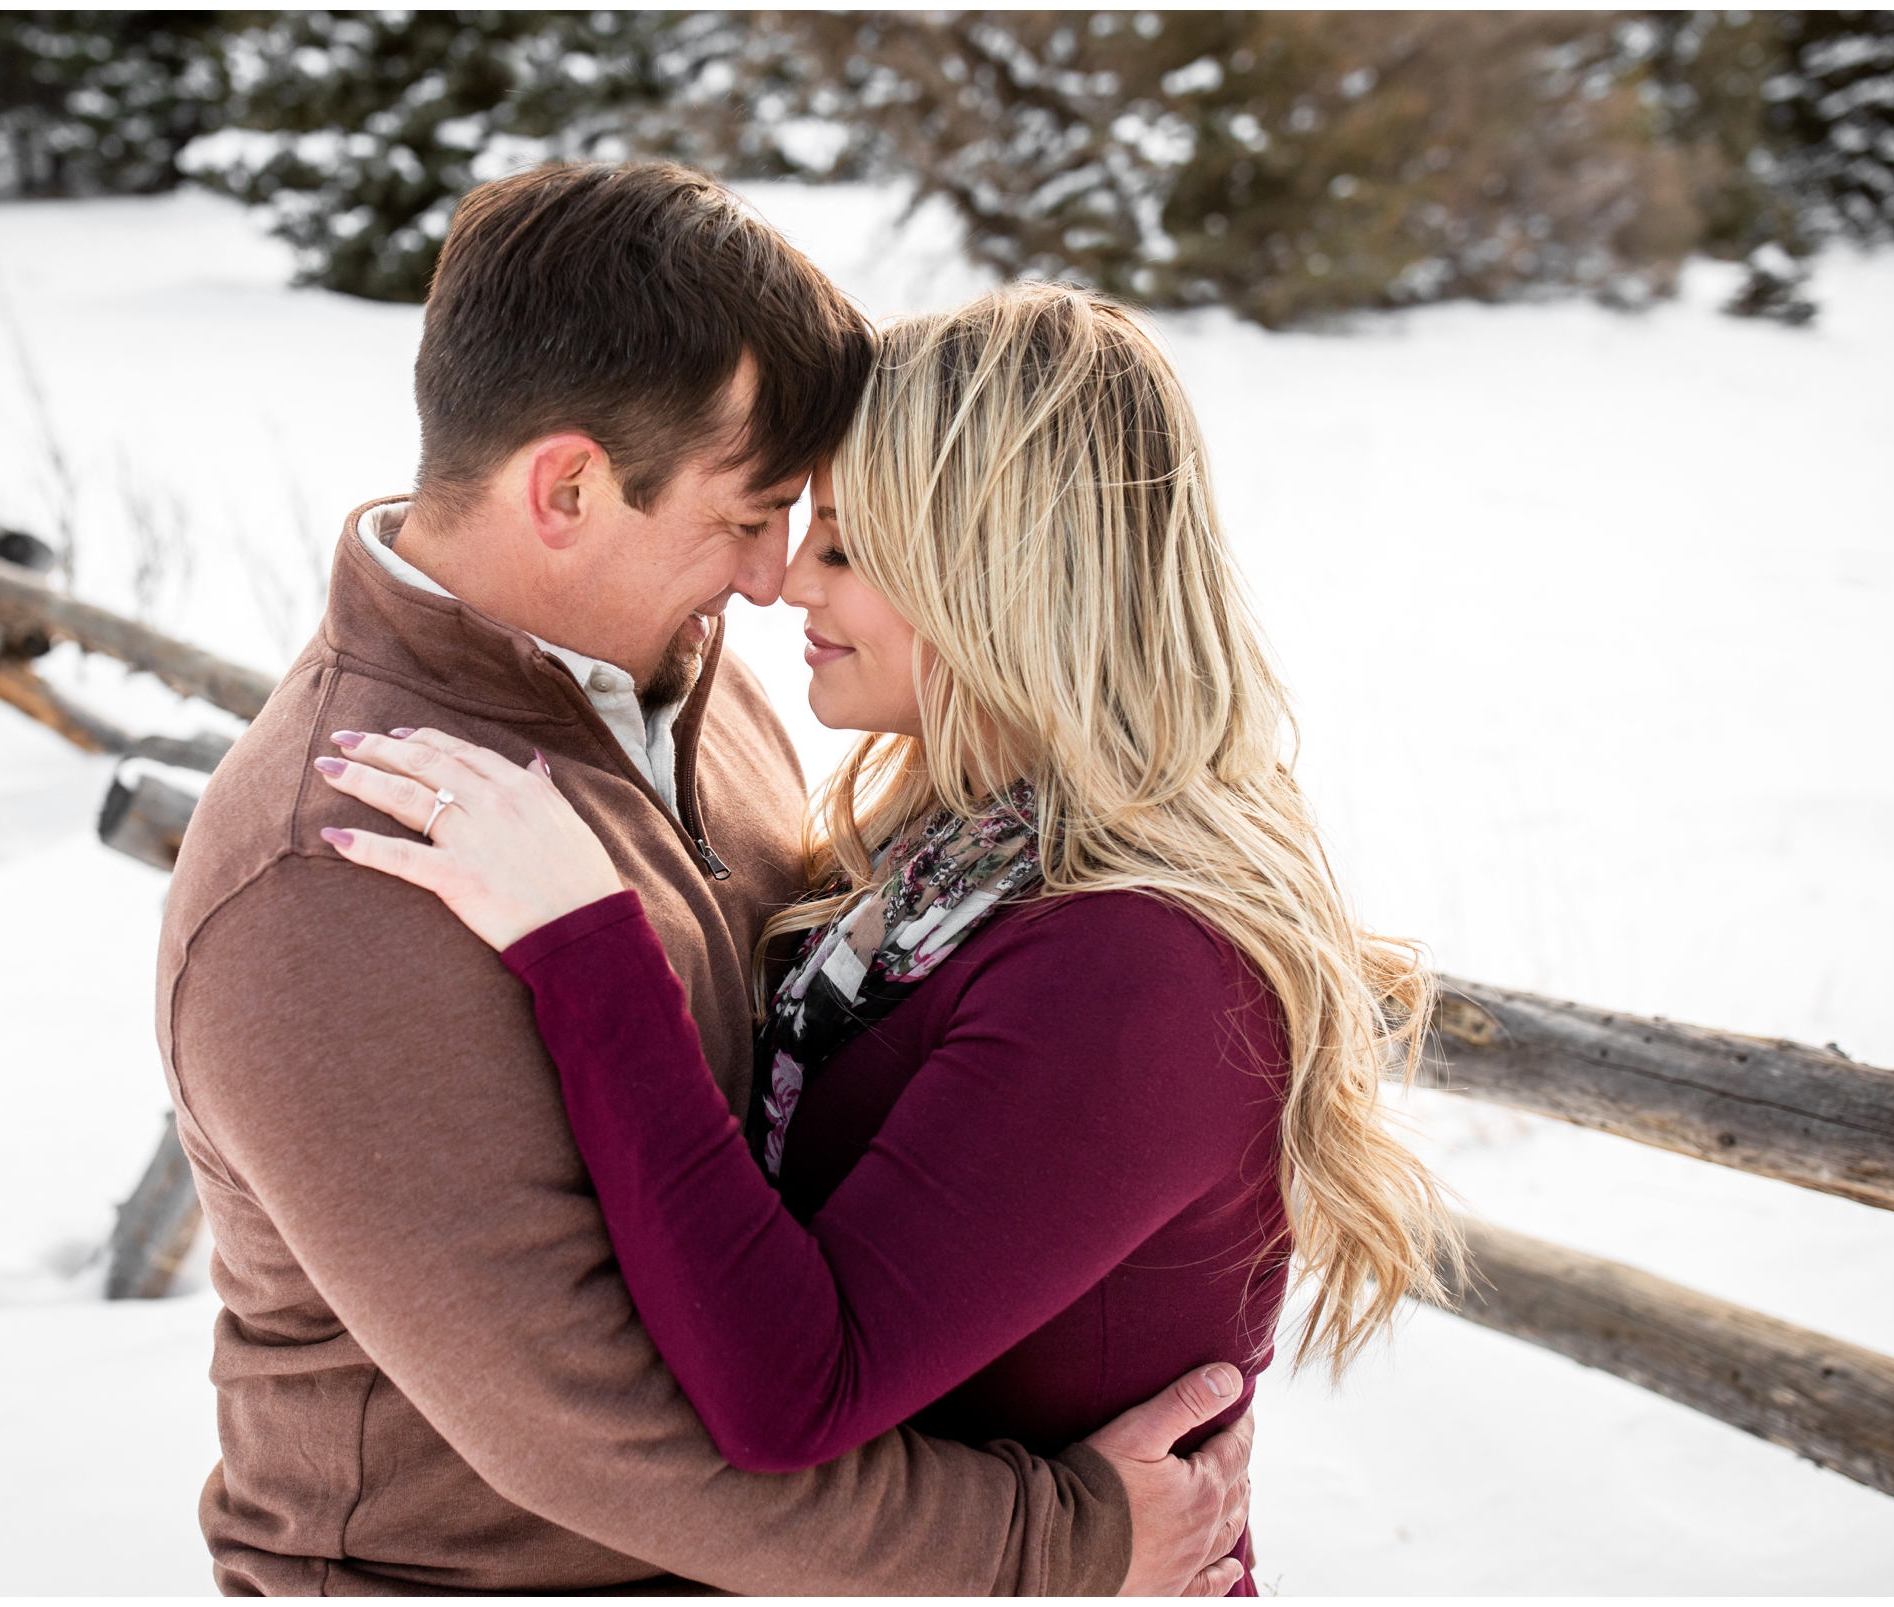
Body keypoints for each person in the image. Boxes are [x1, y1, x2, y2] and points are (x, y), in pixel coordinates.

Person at [159, 164, 1255, 1595]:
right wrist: (1062, 1542)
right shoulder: (343, 870)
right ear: (567, 488)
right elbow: (601, 1437)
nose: (769, 581)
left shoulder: (691, 692)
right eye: (753, 516)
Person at [314, 284, 1462, 1596]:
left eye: (848, 548)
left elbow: (792, 1394)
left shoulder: (1136, 966)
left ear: (1001, 575)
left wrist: (587, 947)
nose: (789, 580)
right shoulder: (959, 863)